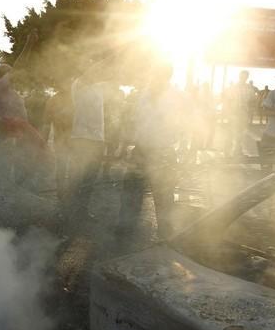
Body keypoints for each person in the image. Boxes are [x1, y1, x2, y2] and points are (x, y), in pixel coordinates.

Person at [118, 64, 186, 239]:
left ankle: (166, 234)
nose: (154, 76)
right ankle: (126, 229)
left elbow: (184, 123)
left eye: (159, 74)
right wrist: (126, 143)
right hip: (140, 150)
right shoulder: (143, 94)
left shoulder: (176, 96)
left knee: (164, 194)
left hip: (163, 151)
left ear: (167, 76)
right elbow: (135, 120)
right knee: (131, 191)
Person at [67, 66, 106, 219]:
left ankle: (82, 210)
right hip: (82, 138)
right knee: (78, 177)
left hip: (97, 139)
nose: (96, 72)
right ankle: (71, 210)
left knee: (90, 179)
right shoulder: (79, 85)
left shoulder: (98, 88)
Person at [0, 112, 51, 189]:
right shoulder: (1, 128)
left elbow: (8, 145)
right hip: (30, 155)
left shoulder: (12, 124)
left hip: (41, 158)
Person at [42, 78, 73, 200]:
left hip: (73, 139)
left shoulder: (75, 99)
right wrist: (43, 142)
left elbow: (46, 123)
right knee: (63, 166)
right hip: (62, 140)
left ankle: (67, 193)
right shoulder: (53, 101)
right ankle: (62, 194)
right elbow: (46, 123)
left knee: (71, 167)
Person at [223, 70, 256, 158]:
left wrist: (250, 112)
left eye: (245, 76)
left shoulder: (249, 88)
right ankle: (227, 152)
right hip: (233, 113)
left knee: (241, 133)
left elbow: (253, 101)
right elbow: (227, 101)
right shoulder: (233, 88)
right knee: (230, 132)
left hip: (244, 113)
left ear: (247, 77)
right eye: (242, 76)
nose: (244, 77)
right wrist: (228, 112)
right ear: (239, 76)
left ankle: (237, 151)